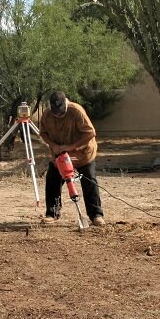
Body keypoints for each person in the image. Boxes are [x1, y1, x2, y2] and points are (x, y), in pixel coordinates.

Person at [39, 91, 105, 226]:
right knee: (52, 179)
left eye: (61, 112)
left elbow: (90, 132)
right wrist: (54, 145)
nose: (58, 115)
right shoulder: (46, 115)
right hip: (60, 155)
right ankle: (52, 213)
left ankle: (96, 215)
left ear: (66, 103)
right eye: (55, 112)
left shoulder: (76, 111)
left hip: (82, 153)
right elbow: (43, 133)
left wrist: (70, 147)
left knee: (89, 180)